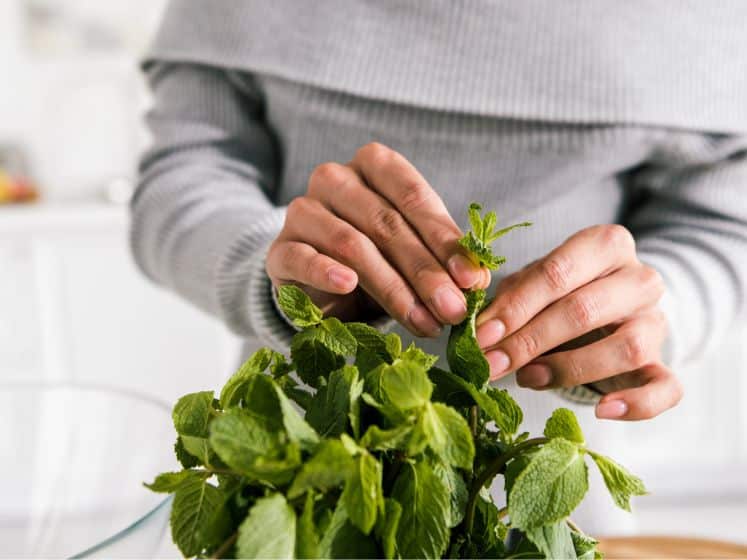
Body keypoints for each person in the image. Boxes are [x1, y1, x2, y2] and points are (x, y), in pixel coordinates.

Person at [131, 1, 747, 534]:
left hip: (548, 492)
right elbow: (182, 174)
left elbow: (723, 219)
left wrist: (646, 315)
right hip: (296, 476)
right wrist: (276, 275)